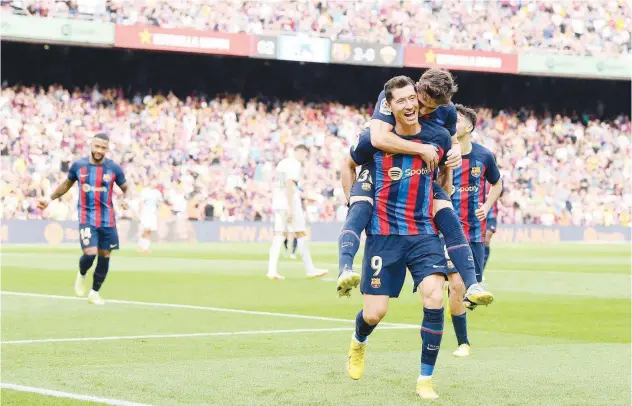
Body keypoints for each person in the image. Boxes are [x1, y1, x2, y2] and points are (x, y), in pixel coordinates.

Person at [337, 68, 492, 307]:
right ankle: (345, 269)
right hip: (381, 168)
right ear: (417, 88)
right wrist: (421, 149)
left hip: (420, 175)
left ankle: (473, 284)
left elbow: (449, 147)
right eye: (423, 103)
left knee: (448, 216)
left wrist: (454, 155)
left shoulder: (446, 113)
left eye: (432, 108)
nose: (423, 110)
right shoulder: (392, 97)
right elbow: (377, 139)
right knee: (359, 210)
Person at [341, 76, 451, 400]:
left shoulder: (438, 134)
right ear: (388, 106)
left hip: (422, 233)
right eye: (400, 101)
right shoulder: (373, 138)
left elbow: (444, 170)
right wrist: (352, 200)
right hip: (384, 234)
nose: (410, 105)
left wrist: (446, 182)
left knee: (435, 296)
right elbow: (348, 162)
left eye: (412, 100)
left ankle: (425, 379)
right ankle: (358, 341)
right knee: (375, 313)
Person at [38, 133, 128, 305]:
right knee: (90, 253)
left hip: (107, 219)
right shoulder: (79, 166)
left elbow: (126, 187)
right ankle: (82, 273)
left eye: (103, 147)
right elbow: (66, 185)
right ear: (91, 145)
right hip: (87, 217)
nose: (99, 150)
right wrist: (49, 199)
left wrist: (125, 199)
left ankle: (94, 293)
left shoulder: (114, 168)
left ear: (107, 149)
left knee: (105, 255)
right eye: (97, 146)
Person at [451, 104, 502, 290]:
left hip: (474, 230)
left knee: (468, 288)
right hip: (446, 229)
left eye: (457, 121)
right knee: (452, 283)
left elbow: (497, 183)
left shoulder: (484, 155)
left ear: (469, 127)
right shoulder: (443, 153)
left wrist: (487, 206)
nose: (452, 123)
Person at [267, 145, 327, 280]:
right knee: (301, 234)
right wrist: (290, 207)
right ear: (300, 152)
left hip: (278, 202)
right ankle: (310, 269)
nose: (305, 159)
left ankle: (271, 270)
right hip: (290, 204)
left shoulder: (282, 163)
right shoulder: (294, 164)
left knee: (279, 236)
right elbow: (289, 184)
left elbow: (284, 185)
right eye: (305, 155)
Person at [137, 180, 163, 254]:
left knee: (150, 231)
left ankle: (145, 247)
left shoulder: (157, 193)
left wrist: (158, 212)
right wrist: (140, 213)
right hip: (145, 213)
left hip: (153, 213)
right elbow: (141, 202)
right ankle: (141, 246)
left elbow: (159, 203)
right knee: (145, 229)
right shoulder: (145, 191)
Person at [483, 182, 499, 276]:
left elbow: (501, 194)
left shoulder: (495, 179)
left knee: (486, 239)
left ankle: (481, 270)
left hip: (491, 215)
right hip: (477, 213)